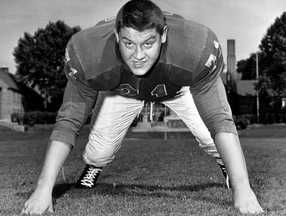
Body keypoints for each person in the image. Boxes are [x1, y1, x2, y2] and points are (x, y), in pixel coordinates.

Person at [21, 0, 264, 215]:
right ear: (116, 36)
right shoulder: (89, 54)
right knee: (98, 153)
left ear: (164, 35)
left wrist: (243, 190)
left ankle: (228, 168)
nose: (138, 55)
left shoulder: (195, 49)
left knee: (212, 138)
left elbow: (219, 119)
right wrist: (43, 189)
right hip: (122, 90)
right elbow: (69, 121)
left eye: (148, 43)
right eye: (128, 43)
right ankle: (94, 167)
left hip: (176, 87)